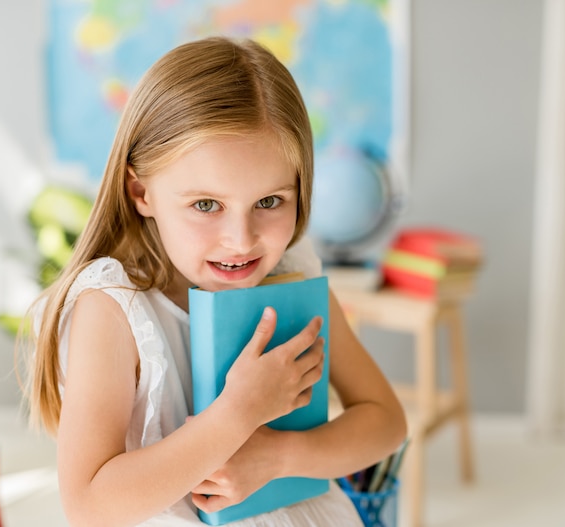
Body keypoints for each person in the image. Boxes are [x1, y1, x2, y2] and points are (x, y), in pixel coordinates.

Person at [24, 36, 407, 526]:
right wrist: (237, 414)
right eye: (206, 205)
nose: (241, 241)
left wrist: (279, 457)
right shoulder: (113, 307)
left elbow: (385, 422)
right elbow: (89, 506)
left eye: (270, 202)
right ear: (141, 192)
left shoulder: (293, 271)